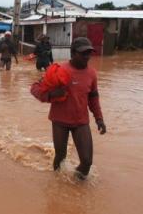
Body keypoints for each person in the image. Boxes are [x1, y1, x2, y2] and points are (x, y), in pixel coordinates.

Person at [31, 37, 106, 180]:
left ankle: (75, 186)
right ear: (72, 53)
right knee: (60, 156)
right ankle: (58, 184)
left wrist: (99, 118)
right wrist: (53, 94)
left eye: (89, 53)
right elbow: (35, 89)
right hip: (60, 121)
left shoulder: (92, 74)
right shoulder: (58, 71)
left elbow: (93, 98)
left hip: (81, 122)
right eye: (83, 53)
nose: (87, 57)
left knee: (87, 161)